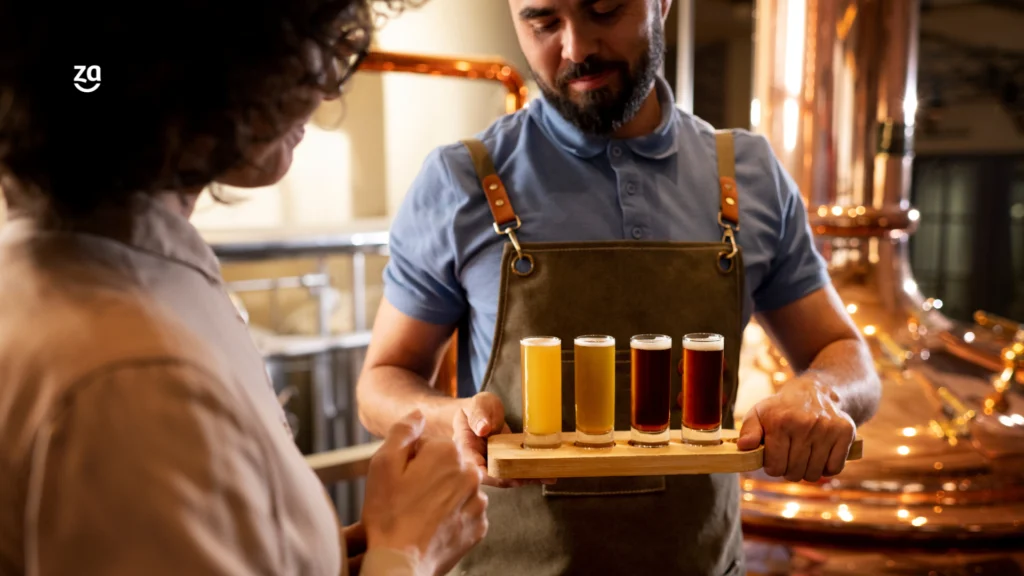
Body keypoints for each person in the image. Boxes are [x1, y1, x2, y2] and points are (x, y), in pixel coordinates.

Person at [356, 0, 882, 574]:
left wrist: (823, 393)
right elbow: (382, 381)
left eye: (604, 10)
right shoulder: (460, 180)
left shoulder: (748, 175)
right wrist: (447, 419)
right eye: (543, 23)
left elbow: (848, 356)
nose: (576, 48)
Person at [0, 1, 489, 575]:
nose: (329, 86)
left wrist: (330, 556)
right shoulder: (134, 376)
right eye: (302, 42)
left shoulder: (92, 282)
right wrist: (407, 554)